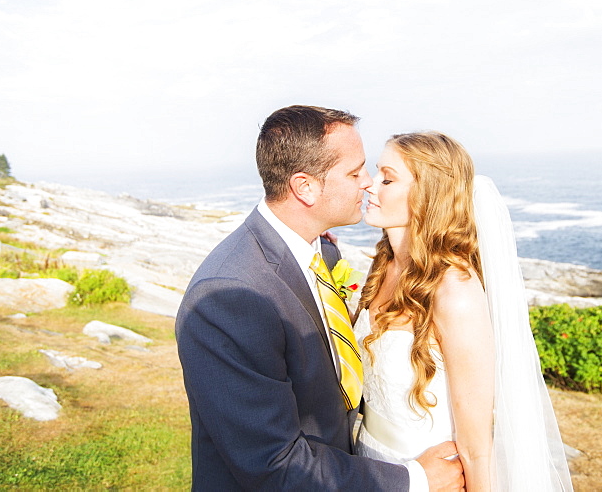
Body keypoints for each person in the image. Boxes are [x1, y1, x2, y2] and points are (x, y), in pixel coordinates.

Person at [175, 106, 465, 490]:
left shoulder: (322, 253)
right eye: (355, 171)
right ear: (305, 187)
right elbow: (274, 464)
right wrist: (414, 479)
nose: (368, 182)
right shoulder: (227, 301)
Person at [356, 132, 573, 491]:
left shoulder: (455, 293)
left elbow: (476, 448)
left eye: (387, 178)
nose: (369, 185)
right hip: (371, 466)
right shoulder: (384, 266)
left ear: (427, 194)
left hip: (432, 478)